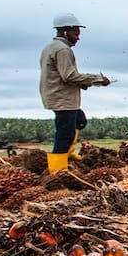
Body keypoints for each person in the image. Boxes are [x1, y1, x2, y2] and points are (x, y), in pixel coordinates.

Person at [39, 13, 111, 173]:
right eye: (75, 33)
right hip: (62, 98)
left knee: (79, 120)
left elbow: (60, 74)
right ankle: (57, 171)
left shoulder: (50, 47)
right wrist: (97, 79)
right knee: (64, 134)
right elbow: (69, 76)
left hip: (57, 95)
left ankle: (68, 154)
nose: (78, 37)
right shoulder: (63, 50)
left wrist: (84, 83)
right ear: (65, 31)